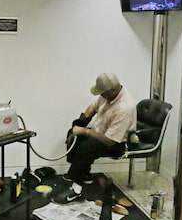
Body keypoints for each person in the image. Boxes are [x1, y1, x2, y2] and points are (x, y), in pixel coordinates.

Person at [54, 72, 136, 204]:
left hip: (117, 144)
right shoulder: (107, 95)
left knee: (87, 147)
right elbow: (93, 107)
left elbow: (110, 140)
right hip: (100, 135)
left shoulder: (125, 107)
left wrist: (85, 131)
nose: (100, 95)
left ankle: (76, 191)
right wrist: (82, 122)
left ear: (112, 90)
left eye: (102, 93)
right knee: (74, 133)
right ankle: (83, 173)